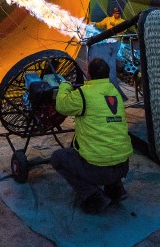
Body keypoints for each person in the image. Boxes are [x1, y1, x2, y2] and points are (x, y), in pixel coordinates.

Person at [51, 57, 132, 214]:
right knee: (108, 142)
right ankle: (116, 189)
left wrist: (64, 86)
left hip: (98, 170)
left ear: (88, 75)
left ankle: (94, 197)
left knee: (58, 158)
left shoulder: (83, 94)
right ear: (107, 75)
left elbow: (62, 105)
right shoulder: (115, 93)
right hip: (123, 165)